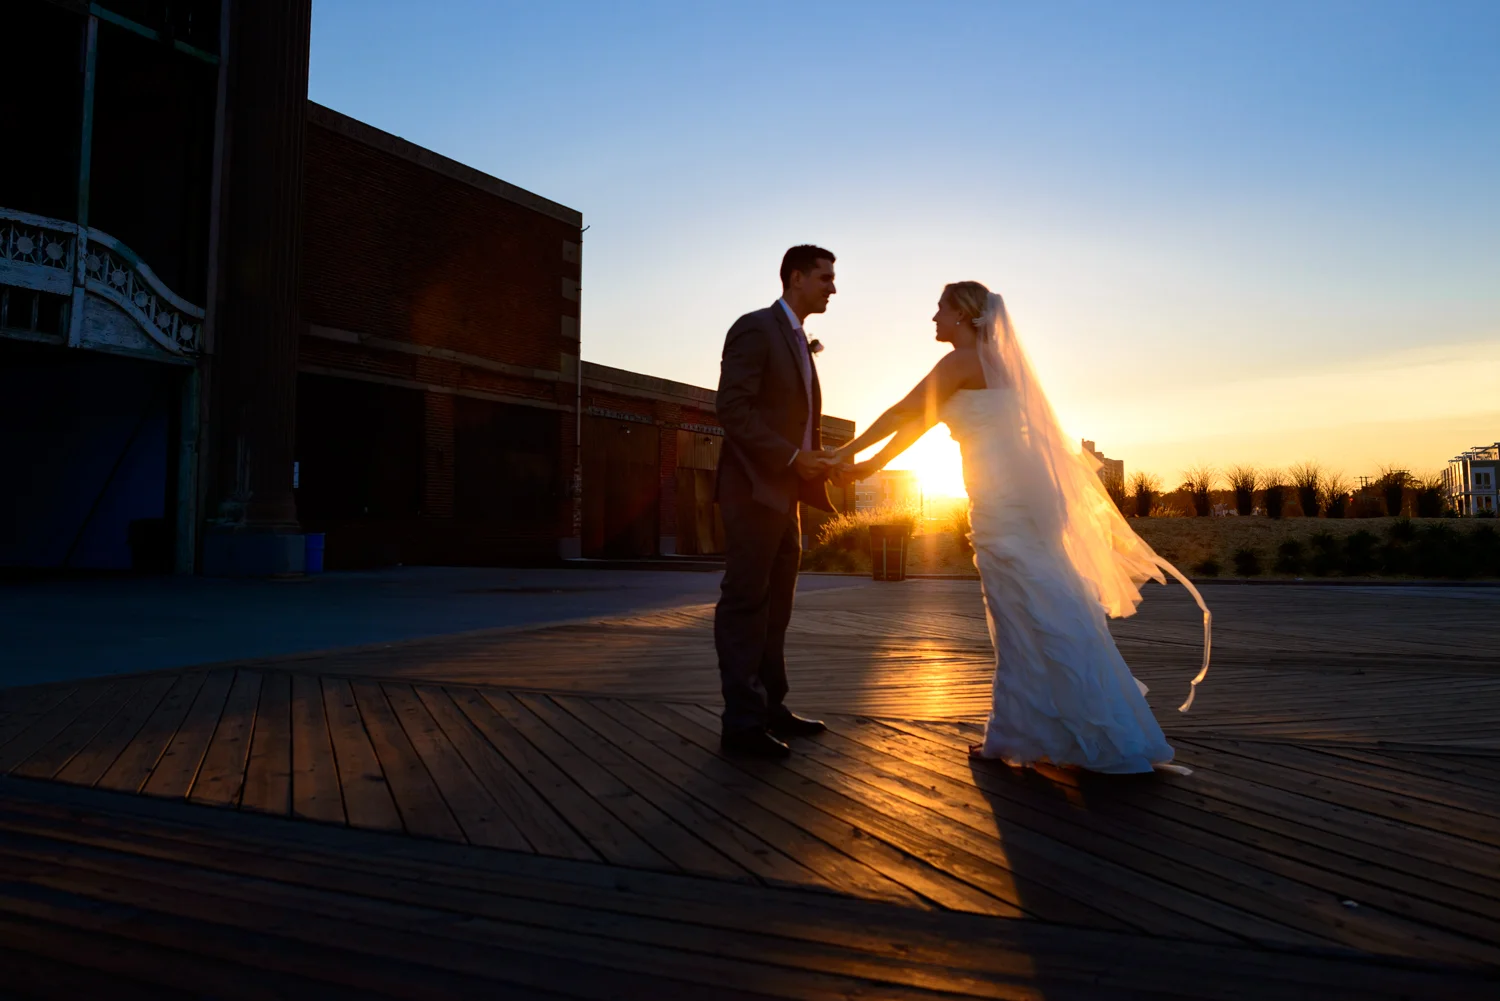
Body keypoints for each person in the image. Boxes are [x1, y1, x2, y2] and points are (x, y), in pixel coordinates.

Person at [832, 282, 1210, 773]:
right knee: (1037, 610)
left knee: (1021, 616)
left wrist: (845, 454)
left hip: (1002, 509)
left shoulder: (960, 362)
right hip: (1010, 504)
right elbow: (917, 425)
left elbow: (903, 412)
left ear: (965, 316)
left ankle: (1026, 732)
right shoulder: (993, 364)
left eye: (940, 310)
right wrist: (865, 465)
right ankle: (1039, 729)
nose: (933, 319)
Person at [712, 245, 842, 759]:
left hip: (785, 495)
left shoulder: (795, 339)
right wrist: (791, 457)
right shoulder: (755, 328)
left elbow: (794, 417)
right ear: (795, 278)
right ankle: (741, 725)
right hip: (752, 490)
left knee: (778, 607)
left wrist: (813, 460)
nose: (833, 287)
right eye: (825, 277)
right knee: (746, 603)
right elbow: (732, 408)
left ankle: (769, 707)